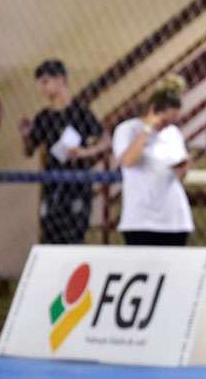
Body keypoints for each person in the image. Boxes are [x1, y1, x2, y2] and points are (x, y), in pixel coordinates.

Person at [18, 59, 109, 244]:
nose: (42, 88)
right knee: (51, 233)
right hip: (53, 182)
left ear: (61, 81)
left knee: (75, 233)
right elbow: (28, 151)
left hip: (77, 181)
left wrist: (85, 152)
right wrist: (26, 135)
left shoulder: (79, 111)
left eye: (46, 81)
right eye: (40, 83)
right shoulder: (44, 117)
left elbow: (106, 140)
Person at [112, 76, 194, 246]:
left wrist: (183, 167)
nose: (166, 126)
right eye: (164, 121)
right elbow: (128, 161)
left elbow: (178, 176)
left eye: (171, 122)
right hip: (140, 219)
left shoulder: (173, 134)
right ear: (153, 109)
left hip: (173, 220)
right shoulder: (128, 130)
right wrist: (147, 129)